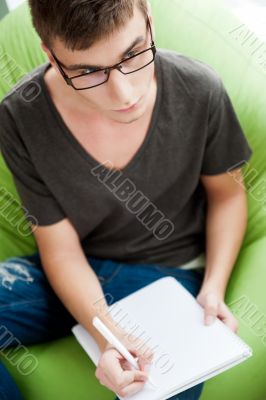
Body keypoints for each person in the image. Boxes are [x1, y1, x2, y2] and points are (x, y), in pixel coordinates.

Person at [0, 0, 253, 399]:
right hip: (73, 272)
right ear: (50, 55)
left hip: (168, 271)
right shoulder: (18, 117)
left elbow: (228, 197)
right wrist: (108, 335)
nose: (124, 93)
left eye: (133, 54)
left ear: (149, 19)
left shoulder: (199, 89)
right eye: (87, 71)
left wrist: (213, 287)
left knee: (160, 387)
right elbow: (60, 249)